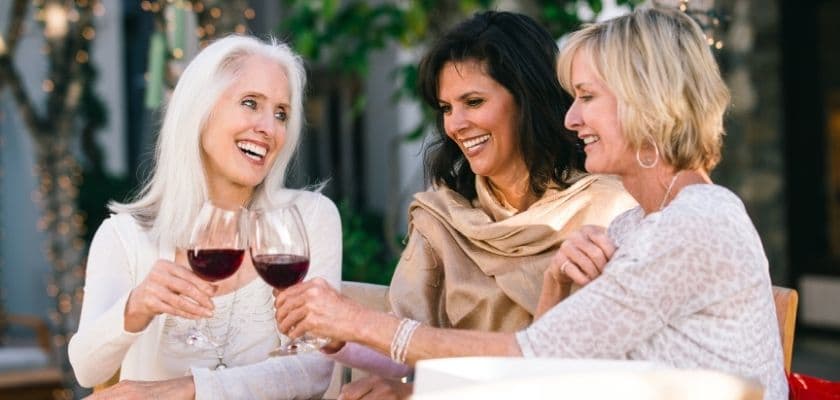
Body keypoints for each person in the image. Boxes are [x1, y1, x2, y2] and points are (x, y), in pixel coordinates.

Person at [275, 7, 788, 400]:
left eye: (587, 97)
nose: (571, 119)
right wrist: (554, 287)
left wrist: (359, 323)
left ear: (646, 103)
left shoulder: (694, 225)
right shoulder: (639, 224)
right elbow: (550, 368)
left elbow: (528, 356)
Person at [279, 10, 635, 399]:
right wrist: (339, 336)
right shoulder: (442, 217)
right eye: (447, 108)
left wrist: (413, 391)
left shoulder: (609, 209)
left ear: (528, 99)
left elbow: (578, 365)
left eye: (474, 101)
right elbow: (404, 341)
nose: (456, 124)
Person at [68, 35, 342, 399]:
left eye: (281, 114)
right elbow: (87, 370)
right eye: (250, 103)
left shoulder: (306, 219)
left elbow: (313, 368)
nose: (269, 128)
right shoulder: (125, 236)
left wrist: (187, 390)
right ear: (199, 110)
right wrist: (136, 306)